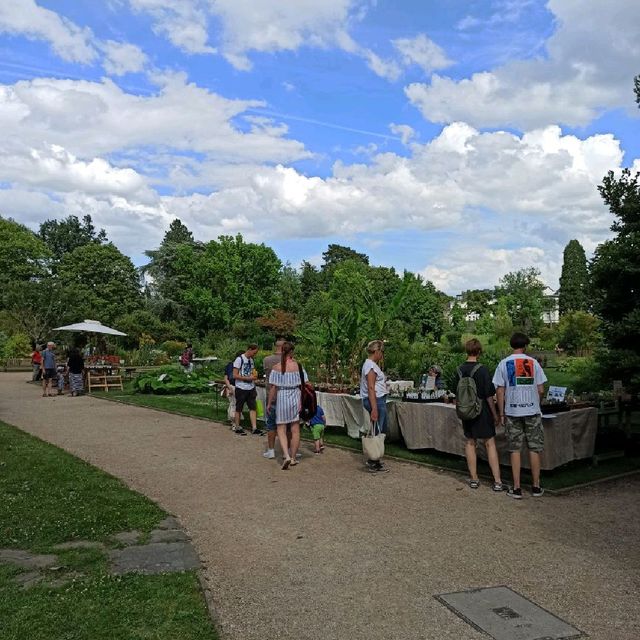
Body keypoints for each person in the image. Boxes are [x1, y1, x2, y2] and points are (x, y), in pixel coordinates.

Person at [493, 332, 548, 499]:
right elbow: (541, 390)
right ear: (525, 346)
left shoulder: (503, 363)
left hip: (512, 411)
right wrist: (535, 403)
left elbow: (500, 390)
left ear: (512, 345)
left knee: (514, 449)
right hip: (531, 410)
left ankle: (516, 488)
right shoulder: (534, 363)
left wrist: (501, 413)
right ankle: (536, 486)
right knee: (534, 448)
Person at [458, 338, 504, 491]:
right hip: (482, 410)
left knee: (470, 442)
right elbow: (489, 395)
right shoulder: (482, 370)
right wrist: (495, 414)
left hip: (467, 410)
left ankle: (474, 478)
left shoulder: (459, 369)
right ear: (478, 351)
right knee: (489, 443)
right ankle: (497, 481)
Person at [266, 341, 307, 470]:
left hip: (282, 396)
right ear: (292, 352)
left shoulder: (276, 367)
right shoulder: (298, 366)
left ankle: (286, 455)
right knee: (295, 428)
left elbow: (273, 388)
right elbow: (305, 383)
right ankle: (293, 457)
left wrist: (269, 403)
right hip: (295, 396)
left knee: (281, 428)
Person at [360, 339, 389, 473]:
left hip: (378, 399)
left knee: (378, 428)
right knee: (377, 430)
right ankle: (373, 459)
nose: (382, 354)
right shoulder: (370, 366)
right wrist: (375, 408)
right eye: (381, 352)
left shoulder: (371, 365)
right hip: (375, 400)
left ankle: (375, 458)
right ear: (376, 351)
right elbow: (371, 387)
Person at [232, 344, 265, 436]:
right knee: (239, 408)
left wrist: (254, 377)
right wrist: (247, 378)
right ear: (249, 349)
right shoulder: (239, 359)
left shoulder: (251, 360)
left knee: (253, 407)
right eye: (254, 353)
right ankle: (237, 427)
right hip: (241, 387)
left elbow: (252, 371)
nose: (255, 355)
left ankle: (254, 428)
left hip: (250, 387)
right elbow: (234, 375)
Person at [262, 339, 284, 459]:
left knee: (271, 425)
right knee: (289, 425)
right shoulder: (289, 361)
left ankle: (271, 450)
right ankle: (290, 449)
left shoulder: (267, 360)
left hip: (271, 395)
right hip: (285, 396)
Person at [223, 351, 241, 424]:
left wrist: (229, 386)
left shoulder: (229, 365)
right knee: (234, 404)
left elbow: (225, 378)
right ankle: (234, 422)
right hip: (235, 386)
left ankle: (232, 420)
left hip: (230, 386)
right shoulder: (237, 366)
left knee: (232, 404)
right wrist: (230, 388)